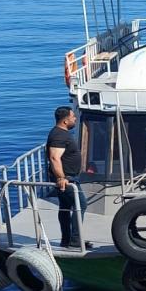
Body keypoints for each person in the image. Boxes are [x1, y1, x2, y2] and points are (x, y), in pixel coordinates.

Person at [47, 106, 89, 249]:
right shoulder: (59, 135)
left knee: (65, 207)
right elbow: (54, 158)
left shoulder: (61, 134)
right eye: (73, 117)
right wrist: (61, 178)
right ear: (65, 121)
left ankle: (67, 240)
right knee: (80, 205)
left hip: (70, 177)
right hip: (67, 179)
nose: (75, 119)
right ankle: (75, 241)